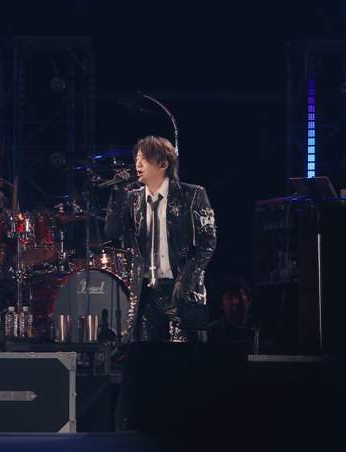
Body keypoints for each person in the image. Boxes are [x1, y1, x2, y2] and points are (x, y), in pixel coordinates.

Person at [104, 136, 217, 432]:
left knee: (183, 363)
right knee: (149, 361)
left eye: (144, 158)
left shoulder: (192, 195)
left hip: (180, 290)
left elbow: (208, 242)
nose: (138, 164)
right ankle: (149, 427)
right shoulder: (132, 199)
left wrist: (187, 279)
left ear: (163, 163)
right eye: (136, 158)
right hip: (148, 292)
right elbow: (112, 232)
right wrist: (117, 193)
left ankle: (187, 426)